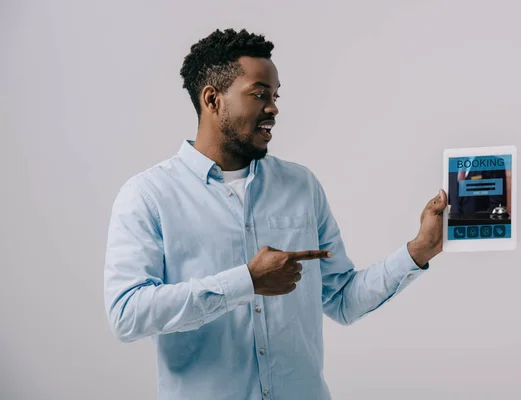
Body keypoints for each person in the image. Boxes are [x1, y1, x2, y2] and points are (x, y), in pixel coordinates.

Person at [103, 28, 447, 400]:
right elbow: (127, 313)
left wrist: (419, 250)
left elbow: (343, 300)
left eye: (275, 95)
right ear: (212, 99)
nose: (273, 107)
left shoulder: (301, 186)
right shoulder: (148, 196)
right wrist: (245, 281)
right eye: (259, 94)